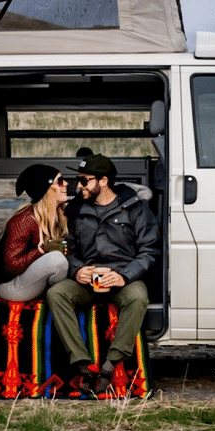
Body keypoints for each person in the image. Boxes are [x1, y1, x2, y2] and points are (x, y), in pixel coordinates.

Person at [46, 153, 159, 389]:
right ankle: (81, 364)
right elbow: (69, 249)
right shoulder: (75, 210)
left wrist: (123, 276)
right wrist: (77, 270)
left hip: (123, 279)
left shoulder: (135, 209)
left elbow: (149, 252)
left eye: (84, 180)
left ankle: (112, 363)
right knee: (57, 293)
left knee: (138, 297)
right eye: (78, 180)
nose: (78, 186)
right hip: (87, 281)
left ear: (104, 181)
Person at [0, 164, 70, 301]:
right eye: (60, 181)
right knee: (57, 259)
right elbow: (9, 266)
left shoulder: (59, 214)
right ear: (46, 188)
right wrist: (42, 250)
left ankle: (59, 301)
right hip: (12, 286)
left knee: (60, 258)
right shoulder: (24, 220)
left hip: (33, 281)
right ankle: (59, 299)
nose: (66, 184)